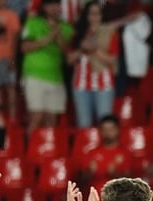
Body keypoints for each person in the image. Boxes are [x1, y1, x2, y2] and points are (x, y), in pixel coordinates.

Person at [21, 0, 73, 129]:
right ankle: (29, 148)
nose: (53, 7)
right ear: (43, 7)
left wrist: (57, 32)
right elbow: (25, 47)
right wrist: (50, 36)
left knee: (52, 119)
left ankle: (48, 149)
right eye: (50, 4)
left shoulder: (66, 27)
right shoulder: (33, 23)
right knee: (37, 116)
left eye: (56, 4)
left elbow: (67, 52)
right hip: (35, 75)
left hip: (56, 77)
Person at [68, 0, 119, 129]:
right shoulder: (78, 34)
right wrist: (82, 50)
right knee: (84, 125)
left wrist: (94, 50)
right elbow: (69, 59)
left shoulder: (109, 33)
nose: (95, 17)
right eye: (92, 13)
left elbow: (112, 60)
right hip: (81, 85)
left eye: (98, 13)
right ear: (86, 15)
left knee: (105, 125)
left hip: (104, 85)